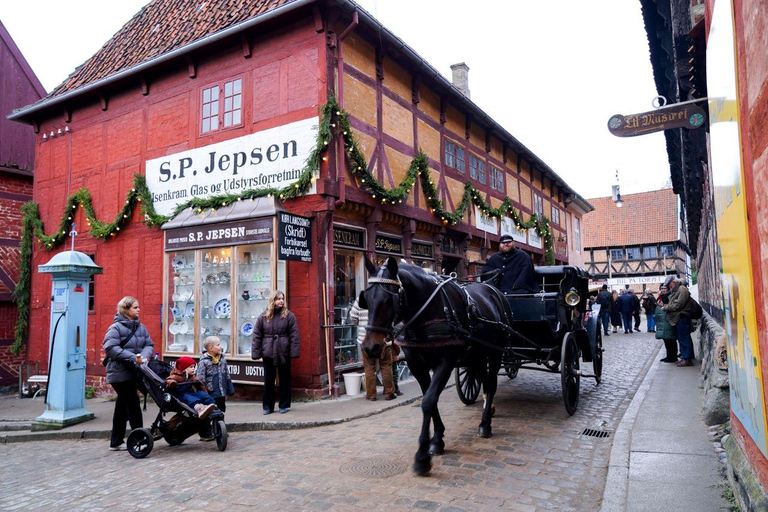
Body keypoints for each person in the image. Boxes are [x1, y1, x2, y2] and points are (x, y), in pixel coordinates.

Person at [103, 296, 155, 451]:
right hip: (119, 373)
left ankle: (116, 441)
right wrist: (134, 357)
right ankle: (139, 439)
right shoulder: (115, 328)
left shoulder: (140, 327)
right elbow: (111, 348)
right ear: (125, 310)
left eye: (138, 307)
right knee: (132, 404)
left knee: (122, 406)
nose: (139, 310)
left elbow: (149, 344)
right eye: (135, 307)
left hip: (134, 372)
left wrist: (145, 356)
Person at [251, 290, 300, 414]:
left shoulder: (289, 316)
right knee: (268, 380)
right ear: (272, 301)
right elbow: (257, 335)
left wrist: (293, 352)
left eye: (282, 298)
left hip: (283, 351)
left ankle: (284, 405)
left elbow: (294, 335)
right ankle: (267, 406)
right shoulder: (263, 317)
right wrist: (256, 352)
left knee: (285, 379)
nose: (281, 301)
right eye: (278, 299)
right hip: (268, 352)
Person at [349, 294, 396, 401]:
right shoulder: (385, 299)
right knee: (386, 366)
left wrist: (361, 323)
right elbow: (392, 319)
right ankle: (389, 393)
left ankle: (371, 394)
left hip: (365, 340)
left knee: (369, 368)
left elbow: (353, 317)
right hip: (383, 340)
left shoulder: (360, 298)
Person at [165, 356, 217, 420]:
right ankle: (199, 408)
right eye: (191, 367)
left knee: (202, 394)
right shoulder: (176, 376)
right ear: (183, 368)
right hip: (180, 395)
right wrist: (172, 383)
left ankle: (210, 406)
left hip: (190, 392)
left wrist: (201, 385)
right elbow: (169, 380)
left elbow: (198, 382)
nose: (193, 369)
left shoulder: (191, 376)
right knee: (190, 398)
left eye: (194, 367)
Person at [662, 277, 695, 366]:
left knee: (684, 338)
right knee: (681, 338)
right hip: (678, 317)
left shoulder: (682, 289)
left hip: (682, 316)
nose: (669, 286)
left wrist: (666, 307)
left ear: (674, 282)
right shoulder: (677, 290)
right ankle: (685, 357)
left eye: (669, 284)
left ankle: (687, 359)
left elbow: (679, 305)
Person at [196, 336, 235, 412]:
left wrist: (230, 389)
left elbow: (227, 375)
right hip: (210, 394)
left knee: (221, 410)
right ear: (211, 348)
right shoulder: (204, 362)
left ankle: (220, 423)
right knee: (211, 411)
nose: (220, 347)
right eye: (218, 345)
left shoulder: (222, 360)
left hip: (221, 393)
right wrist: (203, 394)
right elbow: (200, 380)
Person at [654, 283, 678, 362]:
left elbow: (668, 304)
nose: (663, 290)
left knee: (671, 339)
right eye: (661, 288)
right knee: (666, 339)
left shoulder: (669, 296)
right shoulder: (660, 298)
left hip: (668, 320)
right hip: (662, 321)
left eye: (665, 288)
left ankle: (673, 357)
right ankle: (668, 355)